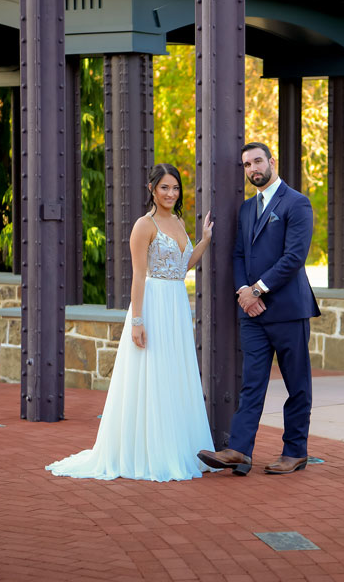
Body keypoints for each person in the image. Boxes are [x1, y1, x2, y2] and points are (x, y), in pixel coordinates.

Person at [46, 164, 217, 482]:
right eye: (164, 187)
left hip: (177, 304)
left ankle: (179, 445)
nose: (171, 193)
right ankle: (149, 451)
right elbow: (139, 275)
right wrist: (137, 320)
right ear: (152, 189)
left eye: (175, 188)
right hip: (152, 304)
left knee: (174, 372)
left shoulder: (178, 221)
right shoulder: (144, 225)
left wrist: (205, 240)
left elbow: (184, 265)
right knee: (151, 374)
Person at [198, 142, 320, 476]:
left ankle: (295, 452)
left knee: (297, 385)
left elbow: (294, 258)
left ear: (272, 162)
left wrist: (256, 290)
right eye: (247, 165)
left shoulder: (297, 203)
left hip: (289, 311)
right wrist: (243, 292)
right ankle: (239, 450)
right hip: (253, 314)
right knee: (252, 384)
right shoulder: (246, 209)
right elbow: (238, 254)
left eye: (257, 161)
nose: (253, 169)